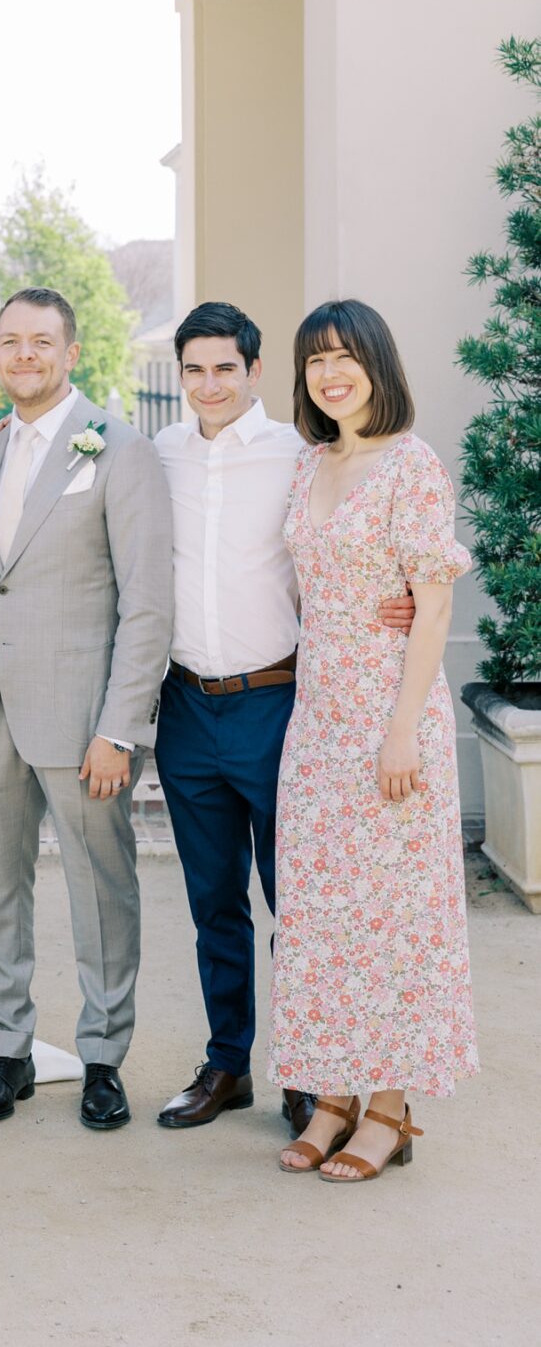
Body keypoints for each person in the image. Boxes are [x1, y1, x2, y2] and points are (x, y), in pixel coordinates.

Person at [153, 302, 414, 1137]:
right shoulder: (156, 455)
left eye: (224, 367)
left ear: (255, 371)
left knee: (298, 901)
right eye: (193, 369)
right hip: (187, 705)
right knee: (213, 902)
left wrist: (401, 597)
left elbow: (350, 550)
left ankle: (312, 1074)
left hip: (278, 703)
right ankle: (227, 1062)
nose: (209, 384)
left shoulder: (299, 458)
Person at [271, 299, 479, 1182]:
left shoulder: (412, 466)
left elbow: (431, 602)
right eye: (315, 358)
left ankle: (389, 1108)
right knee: (321, 916)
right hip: (315, 722)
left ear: (376, 365)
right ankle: (331, 1094)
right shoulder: (310, 464)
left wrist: (401, 732)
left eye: (345, 355)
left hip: (391, 721)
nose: (329, 372)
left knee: (392, 918)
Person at [0, 288, 173, 1131]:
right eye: (9, 342)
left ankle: (102, 1058)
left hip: (84, 717)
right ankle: (5, 1052)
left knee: (100, 889)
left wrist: (119, 726)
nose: (23, 356)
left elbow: (146, 603)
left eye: (40, 342)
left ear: (70, 352)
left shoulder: (120, 451)